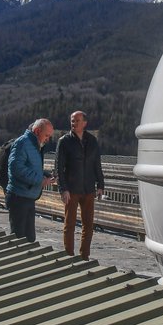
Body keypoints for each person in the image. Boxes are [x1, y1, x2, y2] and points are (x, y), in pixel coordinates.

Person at [54, 110, 105, 258]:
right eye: (72, 120)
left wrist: (100, 185)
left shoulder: (92, 140)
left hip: (89, 189)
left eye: (77, 120)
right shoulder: (64, 141)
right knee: (69, 225)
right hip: (71, 189)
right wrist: (63, 189)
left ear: (85, 123)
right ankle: (69, 255)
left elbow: (97, 164)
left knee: (88, 226)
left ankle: (84, 256)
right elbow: (58, 167)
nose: (74, 123)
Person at [6, 118, 54, 242]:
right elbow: (16, 168)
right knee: (19, 239)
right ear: (37, 131)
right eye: (46, 135)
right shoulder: (23, 143)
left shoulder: (33, 144)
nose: (48, 139)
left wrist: (45, 174)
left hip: (28, 196)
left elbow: (28, 166)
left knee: (29, 239)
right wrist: (40, 180)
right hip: (19, 196)